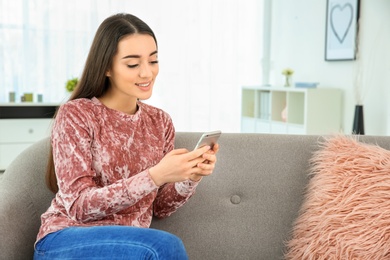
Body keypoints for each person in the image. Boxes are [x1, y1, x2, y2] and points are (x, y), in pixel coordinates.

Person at [34, 13, 219, 260]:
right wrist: (156, 175)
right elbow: (79, 207)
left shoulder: (160, 121)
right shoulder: (77, 114)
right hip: (67, 238)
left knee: (159, 247)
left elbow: (161, 208)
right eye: (133, 64)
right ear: (107, 67)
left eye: (153, 61)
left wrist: (189, 177)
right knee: (164, 247)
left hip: (131, 245)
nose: (147, 73)